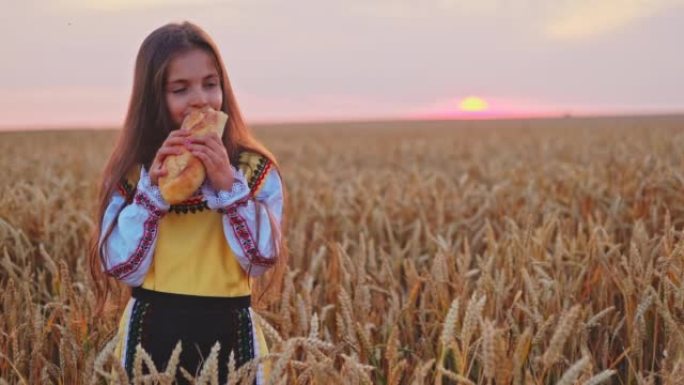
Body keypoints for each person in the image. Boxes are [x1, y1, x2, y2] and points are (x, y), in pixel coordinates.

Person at [88, 21, 286, 384]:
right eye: (180, 89)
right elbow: (122, 268)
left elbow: (261, 260)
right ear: (153, 99)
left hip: (232, 334)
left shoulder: (254, 171)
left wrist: (229, 189)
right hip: (151, 335)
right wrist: (154, 196)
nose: (200, 99)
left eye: (211, 84)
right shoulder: (133, 175)